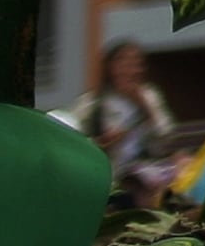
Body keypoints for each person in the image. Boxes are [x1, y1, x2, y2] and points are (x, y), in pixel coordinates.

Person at [68, 39, 173, 200]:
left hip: (145, 169)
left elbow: (165, 135)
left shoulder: (149, 96)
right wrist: (102, 142)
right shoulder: (93, 103)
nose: (131, 70)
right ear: (111, 68)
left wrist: (143, 105)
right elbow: (73, 139)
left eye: (136, 64)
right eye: (124, 63)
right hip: (110, 173)